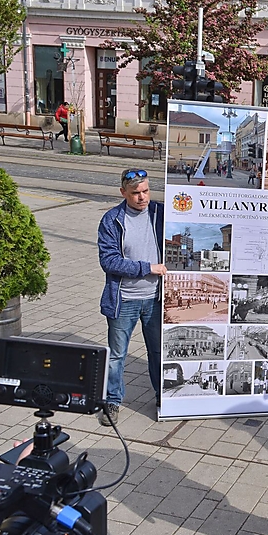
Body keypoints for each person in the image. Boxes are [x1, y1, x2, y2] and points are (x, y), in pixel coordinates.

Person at [97, 169, 166, 426]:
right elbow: (109, 261)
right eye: (135, 193)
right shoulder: (112, 220)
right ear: (123, 193)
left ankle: (162, 397)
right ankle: (112, 401)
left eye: (146, 191)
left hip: (156, 298)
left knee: (158, 352)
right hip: (124, 299)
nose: (142, 197)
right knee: (116, 355)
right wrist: (147, 268)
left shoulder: (160, 213)